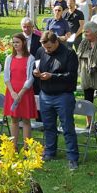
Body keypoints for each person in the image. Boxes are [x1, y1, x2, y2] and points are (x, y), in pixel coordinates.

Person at [33, 31, 80, 170]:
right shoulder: (41, 51)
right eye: (45, 48)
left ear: (56, 42)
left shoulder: (69, 53)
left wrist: (52, 76)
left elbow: (71, 76)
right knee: (48, 126)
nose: (47, 50)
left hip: (63, 95)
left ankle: (72, 157)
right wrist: (35, 72)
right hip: (45, 94)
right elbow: (36, 66)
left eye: (49, 48)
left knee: (67, 127)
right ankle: (50, 152)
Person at [3, 33, 37, 143]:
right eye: (14, 42)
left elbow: (30, 78)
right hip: (12, 92)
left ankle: (27, 148)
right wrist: (12, 92)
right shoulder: (9, 58)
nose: (15, 44)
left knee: (26, 120)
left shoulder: (30, 58)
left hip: (25, 92)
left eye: (17, 42)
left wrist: (21, 93)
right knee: (14, 119)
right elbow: (6, 77)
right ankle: (13, 147)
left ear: (24, 43)